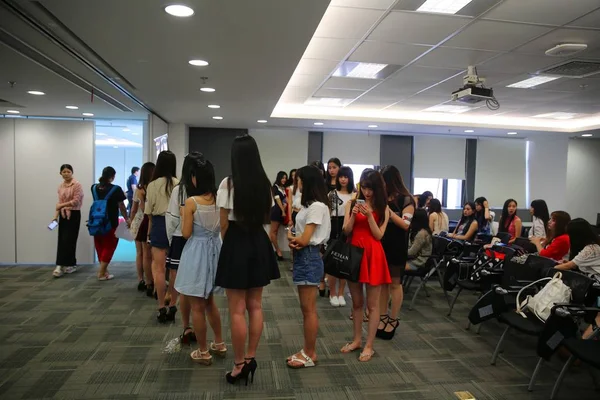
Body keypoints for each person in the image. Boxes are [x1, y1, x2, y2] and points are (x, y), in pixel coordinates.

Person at [216, 135, 280, 385]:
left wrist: (229, 246)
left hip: (236, 242)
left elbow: (222, 224)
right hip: (258, 242)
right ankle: (251, 357)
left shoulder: (227, 185)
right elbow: (266, 218)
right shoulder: (265, 185)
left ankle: (239, 363)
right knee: (255, 306)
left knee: (236, 310)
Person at [174, 154, 226, 365]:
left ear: (196, 178)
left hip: (196, 253)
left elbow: (186, 233)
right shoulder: (218, 199)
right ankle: (220, 343)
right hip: (215, 251)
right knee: (210, 302)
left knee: (197, 306)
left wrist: (183, 213)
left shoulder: (191, 202)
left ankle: (203, 351)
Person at [341, 169, 390, 362]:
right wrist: (353, 215)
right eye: (364, 187)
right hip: (354, 254)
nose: (367, 192)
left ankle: (369, 345)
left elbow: (379, 235)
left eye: (370, 188)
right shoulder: (351, 203)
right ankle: (356, 340)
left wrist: (370, 216)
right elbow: (346, 231)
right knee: (356, 302)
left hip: (373, 255)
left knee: (372, 305)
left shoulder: (383, 207)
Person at [285, 165, 331, 368]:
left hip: (309, 256)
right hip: (304, 256)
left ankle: (310, 353)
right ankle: (307, 350)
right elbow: (300, 236)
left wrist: (292, 237)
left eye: (300, 180)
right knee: (306, 309)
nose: (298, 183)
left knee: (309, 310)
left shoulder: (317, 207)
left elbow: (304, 239)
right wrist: (294, 238)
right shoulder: (308, 205)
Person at [166, 153, 200, 341]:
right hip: (200, 241)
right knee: (197, 284)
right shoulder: (207, 190)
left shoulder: (179, 190)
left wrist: (172, 239)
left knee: (182, 281)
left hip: (180, 237)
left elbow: (171, 218)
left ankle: (186, 325)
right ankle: (195, 326)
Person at [378, 165, 414, 341]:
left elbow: (406, 225)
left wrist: (389, 213)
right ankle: (383, 317)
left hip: (397, 246)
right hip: (381, 244)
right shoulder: (383, 198)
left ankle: (393, 319)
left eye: (384, 181)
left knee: (395, 284)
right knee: (383, 284)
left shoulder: (406, 199)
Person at [145, 150, 178, 323]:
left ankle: (160, 307)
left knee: (158, 269)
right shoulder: (179, 183)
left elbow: (148, 212)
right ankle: (172, 303)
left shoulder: (152, 185)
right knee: (174, 269)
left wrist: (150, 232)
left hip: (158, 225)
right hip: (176, 226)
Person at [91, 167, 127, 280]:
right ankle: (101, 273)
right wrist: (127, 218)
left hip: (96, 221)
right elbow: (121, 205)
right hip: (110, 222)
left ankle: (104, 270)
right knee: (110, 245)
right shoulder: (116, 189)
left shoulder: (93, 188)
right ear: (112, 176)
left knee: (99, 245)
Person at [327, 166, 354, 307]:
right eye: (341, 177)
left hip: (350, 228)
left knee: (345, 262)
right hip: (334, 227)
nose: (343, 179)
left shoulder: (355, 195)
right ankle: (332, 292)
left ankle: (341, 293)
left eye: (346, 177)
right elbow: (327, 213)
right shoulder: (332, 194)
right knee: (332, 262)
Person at [52, 164, 84, 278]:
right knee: (62, 240)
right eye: (64, 172)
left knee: (70, 239)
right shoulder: (60, 186)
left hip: (74, 214)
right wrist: (55, 216)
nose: (66, 173)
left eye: (68, 171)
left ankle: (69, 264)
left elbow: (76, 201)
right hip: (63, 214)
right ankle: (61, 265)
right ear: (60, 173)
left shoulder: (77, 184)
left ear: (72, 172)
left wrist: (61, 205)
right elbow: (58, 204)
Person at [129, 162, 155, 293]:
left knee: (139, 253)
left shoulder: (138, 190)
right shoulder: (154, 188)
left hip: (138, 222)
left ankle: (141, 279)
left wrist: (130, 222)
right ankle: (150, 280)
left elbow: (133, 209)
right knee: (148, 254)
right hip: (148, 222)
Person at [269, 171, 288, 261]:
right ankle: (278, 251)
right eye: (282, 178)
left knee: (275, 232)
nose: (284, 179)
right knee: (273, 232)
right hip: (276, 211)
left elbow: (285, 200)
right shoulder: (275, 187)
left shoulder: (283, 188)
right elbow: (278, 200)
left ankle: (272, 251)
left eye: (285, 178)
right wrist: (283, 211)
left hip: (281, 211)